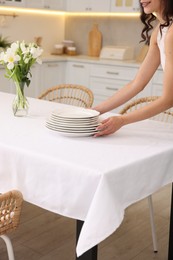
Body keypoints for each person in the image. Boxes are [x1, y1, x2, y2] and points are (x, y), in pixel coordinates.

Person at [94, 0, 173, 137]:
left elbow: (169, 98)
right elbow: (137, 83)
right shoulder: (160, 31)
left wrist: (122, 120)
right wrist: (94, 111)